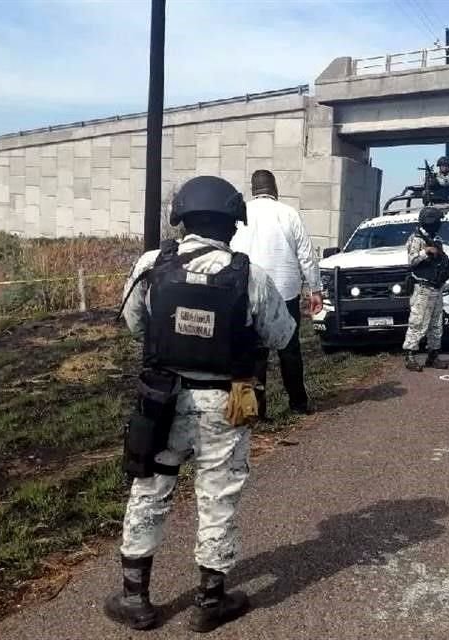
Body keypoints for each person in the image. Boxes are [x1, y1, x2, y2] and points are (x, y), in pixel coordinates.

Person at [107, 176, 295, 632]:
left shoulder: (151, 265)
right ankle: (210, 602)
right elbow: (282, 335)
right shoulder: (250, 274)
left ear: (181, 218)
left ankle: (136, 598)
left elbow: (135, 323)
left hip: (161, 399)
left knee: (149, 489)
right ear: (232, 224)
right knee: (218, 496)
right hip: (225, 403)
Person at [231, 170, 321, 417]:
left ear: (253, 189)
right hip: (284, 292)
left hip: (248, 292)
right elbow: (306, 255)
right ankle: (298, 405)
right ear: (275, 189)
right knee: (289, 350)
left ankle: (250, 413)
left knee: (251, 354)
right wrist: (315, 290)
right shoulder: (289, 213)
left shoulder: (239, 215)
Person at [403, 207, 449, 371]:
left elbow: (440, 261)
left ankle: (433, 356)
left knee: (436, 324)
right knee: (418, 323)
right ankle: (410, 356)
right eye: (437, 220)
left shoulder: (435, 238)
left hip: (437, 287)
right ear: (430, 221)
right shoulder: (416, 239)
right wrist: (425, 252)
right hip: (423, 288)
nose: (439, 224)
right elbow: (411, 261)